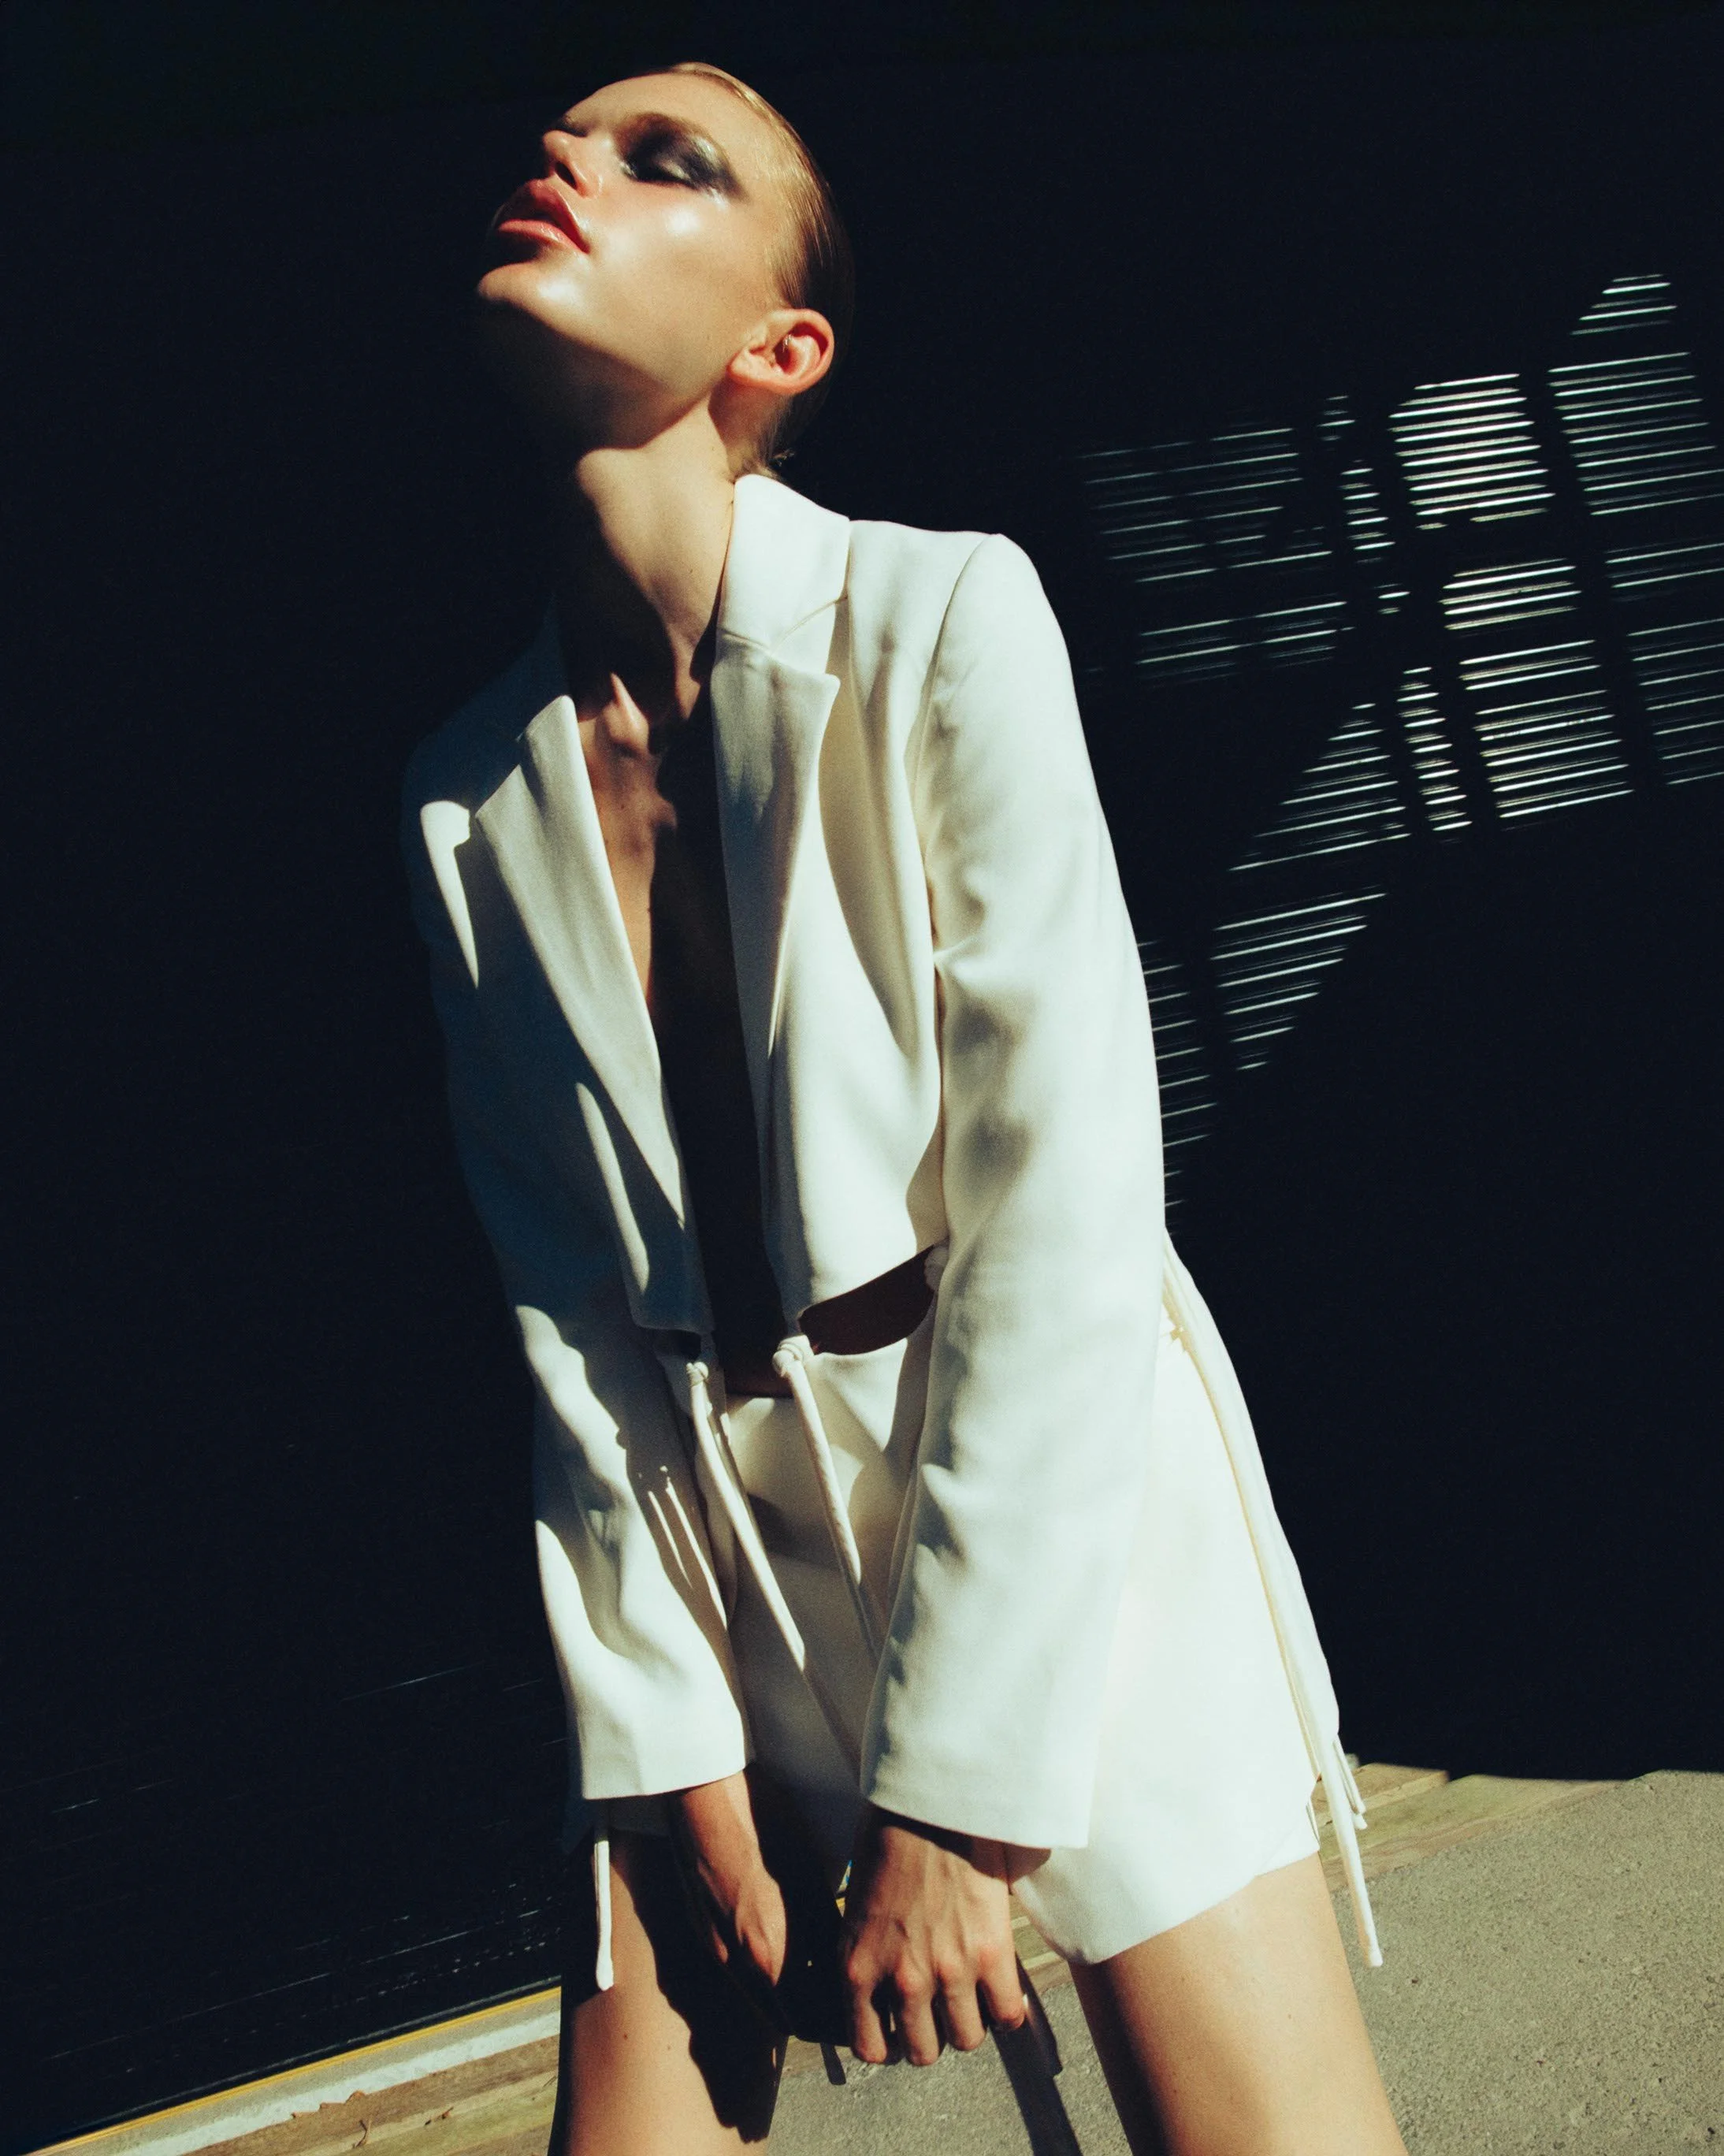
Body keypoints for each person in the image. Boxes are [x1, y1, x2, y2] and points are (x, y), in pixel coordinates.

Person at [401, 60, 1410, 2156]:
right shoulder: (466, 789)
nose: (568, 157)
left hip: (1057, 1519)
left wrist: (954, 1797)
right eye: (564, 136)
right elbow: (569, 1324)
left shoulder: (940, 618)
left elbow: (1062, 1210)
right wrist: (665, 1748)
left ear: (777, 352)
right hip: (708, 1554)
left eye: (664, 159)